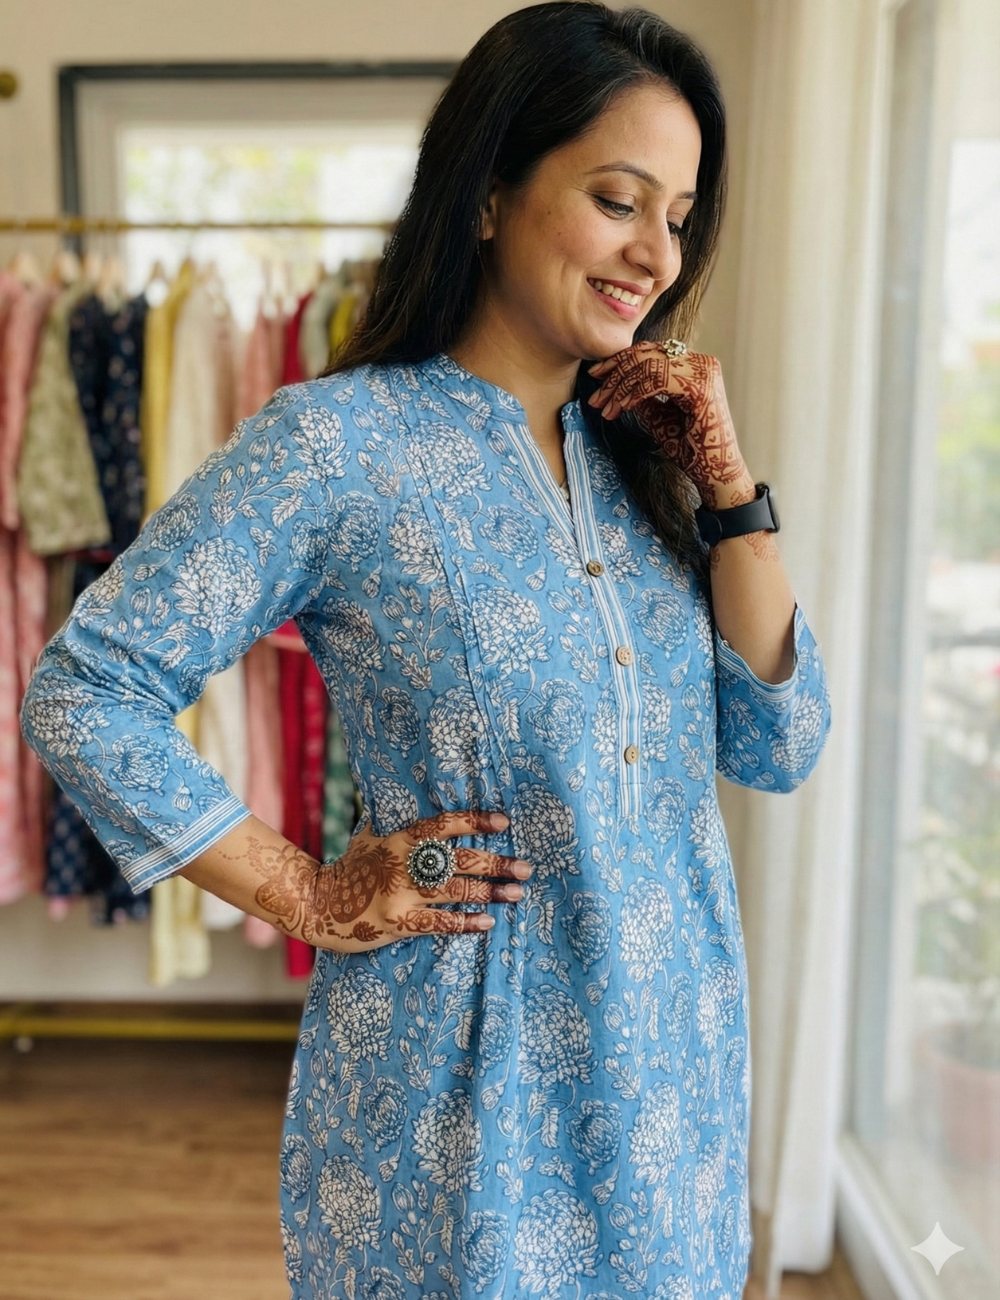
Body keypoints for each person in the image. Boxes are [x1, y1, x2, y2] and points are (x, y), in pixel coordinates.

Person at [22, 4, 831, 1296]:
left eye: (679, 217)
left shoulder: (648, 461)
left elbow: (781, 744)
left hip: (672, 1093)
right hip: (465, 1097)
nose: (656, 253)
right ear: (490, 193)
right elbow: (87, 687)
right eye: (618, 200)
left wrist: (730, 492)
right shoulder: (337, 445)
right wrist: (305, 892)